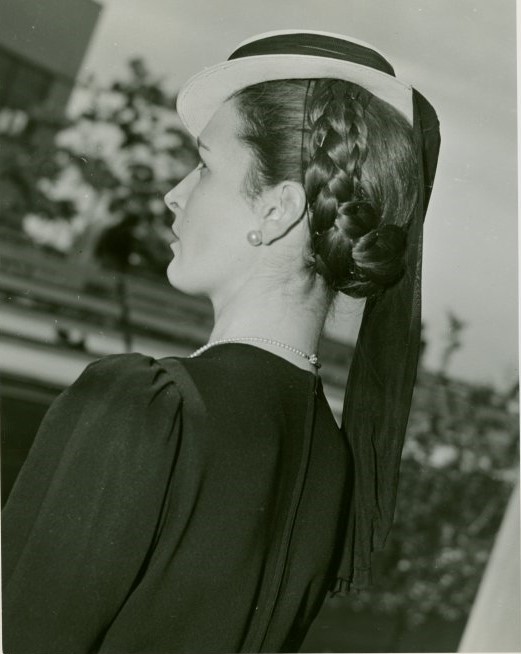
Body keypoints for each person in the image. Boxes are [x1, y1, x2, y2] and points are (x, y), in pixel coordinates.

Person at [2, 30, 440, 653]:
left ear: (277, 210)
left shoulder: (142, 408)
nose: (173, 194)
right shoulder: (330, 464)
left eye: (204, 164)